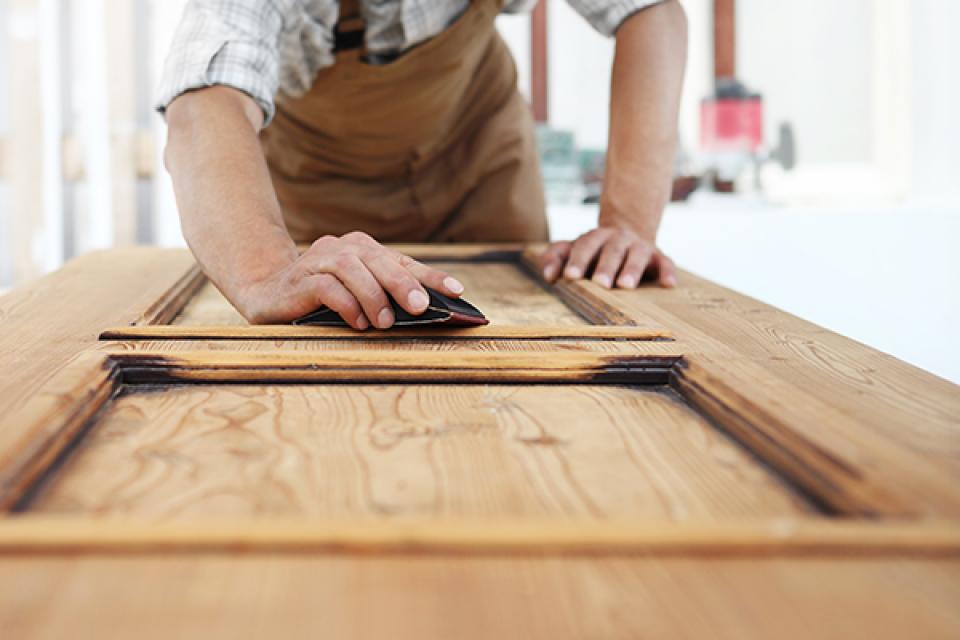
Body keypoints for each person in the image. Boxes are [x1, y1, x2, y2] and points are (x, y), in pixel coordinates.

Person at [158, 0, 687, 328]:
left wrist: (627, 226)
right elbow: (206, 101)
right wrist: (264, 274)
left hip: (479, 162)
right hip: (316, 189)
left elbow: (650, 11)